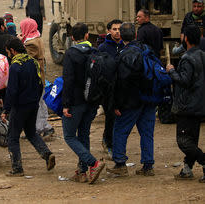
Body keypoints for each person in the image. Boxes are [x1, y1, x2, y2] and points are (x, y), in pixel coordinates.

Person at [1, 37, 56, 176]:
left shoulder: (15, 66)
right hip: (33, 103)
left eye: (8, 52)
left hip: (20, 106)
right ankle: (47, 154)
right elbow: (39, 83)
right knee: (31, 133)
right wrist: (36, 100)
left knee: (13, 136)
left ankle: (17, 168)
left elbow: (12, 91)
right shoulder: (33, 62)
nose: (8, 55)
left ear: (13, 51)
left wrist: (6, 109)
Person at [108, 22, 156, 177]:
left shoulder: (124, 55)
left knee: (120, 131)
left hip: (131, 101)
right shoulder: (146, 50)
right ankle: (148, 165)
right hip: (149, 98)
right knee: (147, 133)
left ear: (121, 36)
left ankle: (120, 164)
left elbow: (121, 83)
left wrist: (116, 104)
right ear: (135, 35)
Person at [62, 23, 105, 184]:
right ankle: (82, 172)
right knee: (84, 134)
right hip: (92, 101)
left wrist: (65, 104)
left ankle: (93, 163)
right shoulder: (95, 51)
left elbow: (68, 80)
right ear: (87, 35)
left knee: (69, 136)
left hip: (75, 101)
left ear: (72, 37)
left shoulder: (71, 54)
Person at [166, 25, 205, 183]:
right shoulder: (202, 55)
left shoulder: (187, 58)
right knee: (192, 139)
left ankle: (203, 160)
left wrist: (171, 71)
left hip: (186, 106)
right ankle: (187, 169)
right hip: (199, 104)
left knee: (183, 141)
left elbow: (184, 81)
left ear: (186, 39)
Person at [19, 18, 54, 138]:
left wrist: (18, 43)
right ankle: (42, 127)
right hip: (38, 77)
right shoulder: (36, 37)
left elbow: (24, 57)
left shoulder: (31, 43)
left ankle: (40, 128)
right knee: (39, 103)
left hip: (35, 78)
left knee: (38, 104)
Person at [98, 19, 123, 158]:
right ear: (109, 31)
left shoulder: (126, 46)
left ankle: (114, 142)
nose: (117, 32)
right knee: (110, 117)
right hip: (107, 90)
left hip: (122, 89)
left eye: (120, 29)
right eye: (114, 29)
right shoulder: (103, 48)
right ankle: (108, 142)